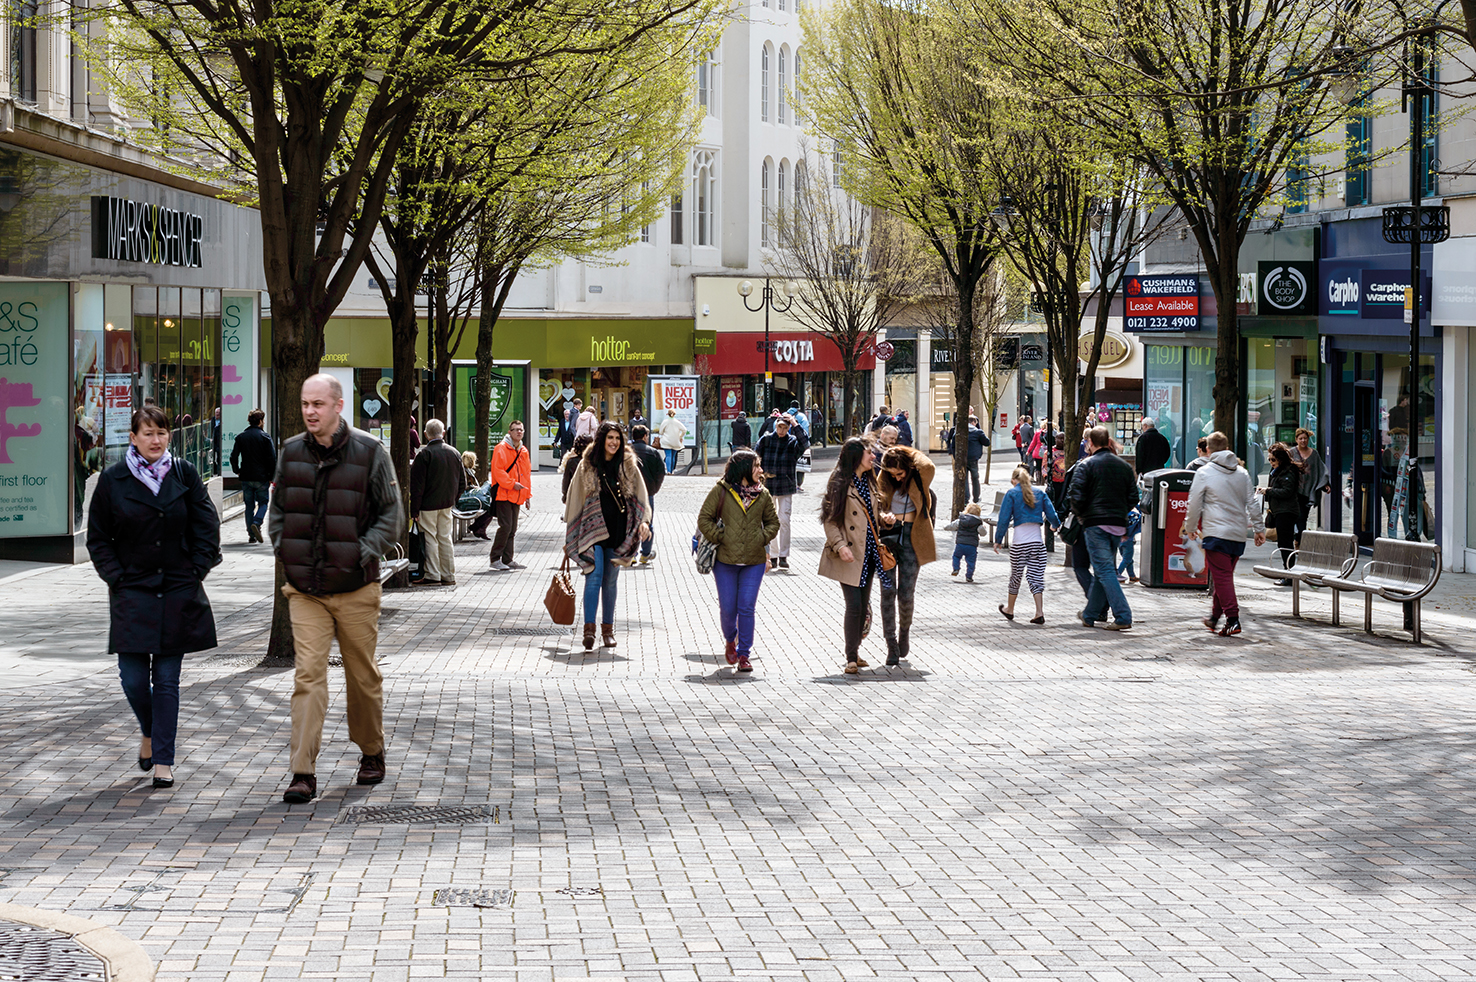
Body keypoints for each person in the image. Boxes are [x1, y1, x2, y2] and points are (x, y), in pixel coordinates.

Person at [268, 374, 404, 803]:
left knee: (361, 676)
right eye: (306, 404)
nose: (310, 411)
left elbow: (392, 515)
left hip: (355, 588)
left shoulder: (370, 452)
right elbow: (277, 514)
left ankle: (371, 750)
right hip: (305, 588)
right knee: (308, 676)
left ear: (338, 406)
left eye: (318, 404)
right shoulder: (290, 453)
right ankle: (303, 771)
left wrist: (362, 551)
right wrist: (285, 552)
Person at [87, 406, 221, 790]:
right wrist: (116, 578)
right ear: (133, 437)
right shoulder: (113, 481)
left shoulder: (184, 474)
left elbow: (206, 528)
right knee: (131, 679)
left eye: (161, 432)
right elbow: (98, 538)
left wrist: (195, 570)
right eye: (147, 433)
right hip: (132, 592)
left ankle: (163, 760)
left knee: (166, 681)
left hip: (177, 590)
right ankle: (149, 731)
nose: (156, 440)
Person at [564, 422, 651, 650]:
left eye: (618, 438)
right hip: (592, 531)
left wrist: (644, 522)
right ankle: (589, 630)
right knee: (594, 575)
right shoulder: (588, 464)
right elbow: (575, 497)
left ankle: (608, 629)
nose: (614, 442)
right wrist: (570, 536)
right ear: (601, 439)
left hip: (619, 531)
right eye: (610, 438)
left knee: (610, 581)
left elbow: (642, 496)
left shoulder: (629, 464)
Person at [818, 437, 898, 674]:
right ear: (856, 457)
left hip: (870, 554)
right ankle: (851, 657)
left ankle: (856, 650)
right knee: (853, 605)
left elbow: (873, 515)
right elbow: (830, 521)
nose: (873, 457)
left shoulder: (870, 481)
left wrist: (885, 519)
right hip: (850, 554)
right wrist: (840, 545)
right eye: (869, 453)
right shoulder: (840, 483)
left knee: (862, 607)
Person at [698, 449, 780, 672]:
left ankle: (744, 654)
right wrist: (720, 536)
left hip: (753, 561)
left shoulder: (762, 494)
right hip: (725, 561)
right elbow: (704, 518)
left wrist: (762, 537)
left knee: (746, 607)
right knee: (727, 609)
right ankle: (730, 639)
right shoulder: (721, 491)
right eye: (756, 466)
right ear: (744, 469)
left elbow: (773, 522)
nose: (760, 470)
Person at [1183, 431, 1264, 637]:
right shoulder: (1242, 472)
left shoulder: (1204, 472)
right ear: (1227, 447)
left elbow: (1194, 504)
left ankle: (1233, 619)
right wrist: (1258, 529)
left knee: (1222, 577)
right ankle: (1214, 617)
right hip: (1237, 534)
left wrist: (1190, 528)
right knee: (1223, 577)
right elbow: (1252, 502)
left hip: (1215, 533)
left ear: (1208, 450)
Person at [1067, 425, 1137, 630]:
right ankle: (1090, 614)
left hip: (1095, 524)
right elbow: (1133, 496)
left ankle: (1123, 615)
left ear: (1090, 443)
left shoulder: (1086, 465)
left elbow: (1076, 496)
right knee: (1101, 571)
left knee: (1105, 571)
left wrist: (1083, 516)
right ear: (1108, 442)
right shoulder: (1123, 466)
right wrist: (1120, 512)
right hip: (1117, 525)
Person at [876, 445, 937, 665]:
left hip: (914, 537)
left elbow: (927, 464)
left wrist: (897, 450)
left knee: (906, 592)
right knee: (887, 591)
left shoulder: (919, 475)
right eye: (893, 474)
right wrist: (885, 515)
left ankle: (904, 631)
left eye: (900, 473)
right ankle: (890, 642)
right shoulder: (884, 478)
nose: (897, 477)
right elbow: (878, 508)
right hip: (889, 537)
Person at [994, 465, 1059, 625]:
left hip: (1019, 543)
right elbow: (1051, 512)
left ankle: (1010, 609)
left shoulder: (1011, 493)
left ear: (1014, 480)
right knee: (1035, 577)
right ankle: (1039, 612)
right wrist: (1055, 525)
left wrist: (998, 539)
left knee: (1016, 576)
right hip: (1037, 543)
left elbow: (1003, 518)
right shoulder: (1040, 492)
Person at [409, 418, 465, 586]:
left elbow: (417, 486)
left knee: (430, 539)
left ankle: (432, 574)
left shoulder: (424, 455)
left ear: (425, 435)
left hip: (427, 505)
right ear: (443, 433)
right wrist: (453, 499)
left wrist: (415, 509)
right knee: (445, 538)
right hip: (446, 504)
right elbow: (462, 482)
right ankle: (448, 574)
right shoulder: (454, 453)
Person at [754, 413, 810, 570]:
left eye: (785, 428)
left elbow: (805, 444)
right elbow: (755, 458)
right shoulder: (766, 440)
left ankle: (783, 555)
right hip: (768, 485)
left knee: (784, 519)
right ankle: (772, 555)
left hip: (786, 485)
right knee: (768, 521)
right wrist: (761, 474)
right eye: (780, 427)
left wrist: (795, 423)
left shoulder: (792, 442)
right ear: (776, 426)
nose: (782, 430)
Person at [488, 421, 532, 571]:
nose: (519, 432)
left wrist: (527, 495)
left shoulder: (523, 450)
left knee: (512, 528)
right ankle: (495, 558)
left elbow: (526, 474)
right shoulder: (501, 448)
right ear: (510, 431)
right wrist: (512, 484)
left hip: (517, 494)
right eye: (516, 430)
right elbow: (498, 471)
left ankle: (507, 559)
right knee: (506, 527)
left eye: (521, 430)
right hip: (504, 494)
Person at [229, 407, 276, 543]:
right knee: (263, 502)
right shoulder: (265, 438)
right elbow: (272, 459)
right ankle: (257, 521)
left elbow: (233, 456)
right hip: (261, 477)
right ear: (260, 421)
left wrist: (236, 469)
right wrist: (271, 477)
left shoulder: (241, 437)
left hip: (246, 476)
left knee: (249, 505)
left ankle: (251, 534)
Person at [629, 423, 666, 565]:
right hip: (647, 493)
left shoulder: (627, 452)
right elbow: (661, 472)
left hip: (629, 493)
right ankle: (645, 554)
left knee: (630, 522)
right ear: (644, 436)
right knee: (647, 522)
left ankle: (631, 553)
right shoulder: (653, 452)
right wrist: (654, 489)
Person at [1264, 443, 1301, 585]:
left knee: (1285, 543)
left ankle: (1289, 574)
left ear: (1280, 459)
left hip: (1286, 511)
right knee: (1282, 543)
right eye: (1269, 460)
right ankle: (1287, 572)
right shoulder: (1275, 471)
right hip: (1279, 511)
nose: (1271, 463)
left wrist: (1268, 491)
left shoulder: (1289, 471)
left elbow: (1287, 491)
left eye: (1273, 460)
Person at [1291, 428, 1329, 545]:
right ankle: (1298, 540)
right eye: (1301, 438)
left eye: (1305, 438)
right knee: (1296, 516)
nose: (1303, 441)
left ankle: (1299, 539)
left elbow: (1321, 470)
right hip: (1294, 490)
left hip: (1308, 490)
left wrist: (1325, 485)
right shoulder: (1291, 453)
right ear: (1296, 440)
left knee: (1303, 516)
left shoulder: (1314, 453)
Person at [944, 502, 984, 582]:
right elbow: (983, 533)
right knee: (971, 561)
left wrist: (945, 528)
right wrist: (983, 529)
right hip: (972, 546)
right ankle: (969, 576)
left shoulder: (961, 520)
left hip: (960, 544)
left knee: (956, 556)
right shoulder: (978, 523)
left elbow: (951, 526)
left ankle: (956, 568)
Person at [561, 434, 594, 503]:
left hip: (576, 496)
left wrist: (565, 495)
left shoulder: (571, 461)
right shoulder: (595, 461)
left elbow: (566, 481)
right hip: (592, 497)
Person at [966, 415, 989, 503]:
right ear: (973, 423)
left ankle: (965, 499)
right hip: (974, 459)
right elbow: (987, 442)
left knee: (964, 479)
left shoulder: (960, 431)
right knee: (975, 478)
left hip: (963, 458)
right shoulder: (978, 432)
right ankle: (976, 498)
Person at [1117, 506, 1141, 584]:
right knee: (1127, 559)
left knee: (1128, 560)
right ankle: (1117, 574)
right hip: (1129, 540)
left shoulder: (1121, 516)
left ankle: (1132, 576)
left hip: (1120, 540)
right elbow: (1144, 515)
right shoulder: (1134, 517)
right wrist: (1137, 506)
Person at [658, 408, 686, 474]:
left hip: (666, 441)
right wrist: (680, 436)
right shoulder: (677, 422)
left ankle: (668, 471)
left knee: (668, 455)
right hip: (675, 441)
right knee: (673, 456)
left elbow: (660, 432)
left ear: (667, 414)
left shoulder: (665, 422)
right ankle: (672, 470)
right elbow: (684, 430)